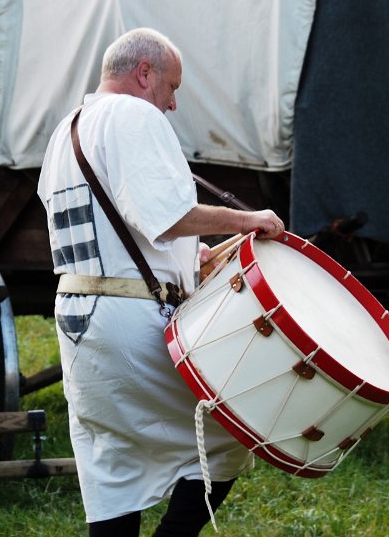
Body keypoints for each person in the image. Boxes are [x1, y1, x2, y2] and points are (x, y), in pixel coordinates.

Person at [37, 27, 285, 536]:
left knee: (111, 463)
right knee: (227, 431)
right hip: (129, 319)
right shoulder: (133, 114)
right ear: (144, 73)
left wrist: (183, 257)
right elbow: (165, 214)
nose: (172, 104)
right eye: (172, 87)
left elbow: (111, 227)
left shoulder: (67, 130)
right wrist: (248, 221)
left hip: (79, 318)